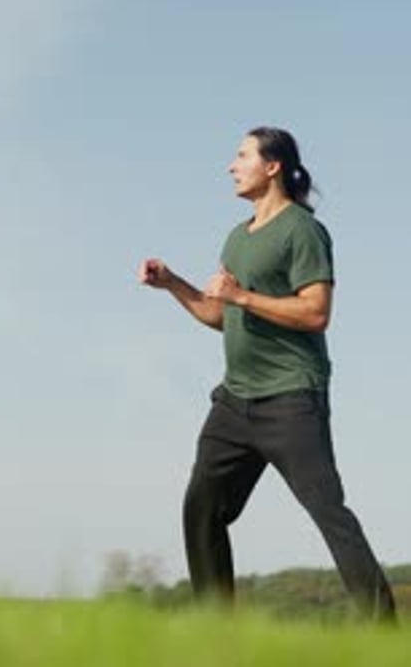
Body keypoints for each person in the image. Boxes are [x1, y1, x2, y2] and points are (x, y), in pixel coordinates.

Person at [138, 126, 395, 621]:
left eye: (241, 156)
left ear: (272, 166)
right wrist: (173, 284)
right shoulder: (237, 238)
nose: (231, 166)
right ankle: (218, 635)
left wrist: (242, 297)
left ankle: (383, 632)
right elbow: (220, 316)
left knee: (330, 514)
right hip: (234, 404)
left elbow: (316, 312)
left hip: (291, 399)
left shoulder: (302, 230)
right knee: (202, 510)